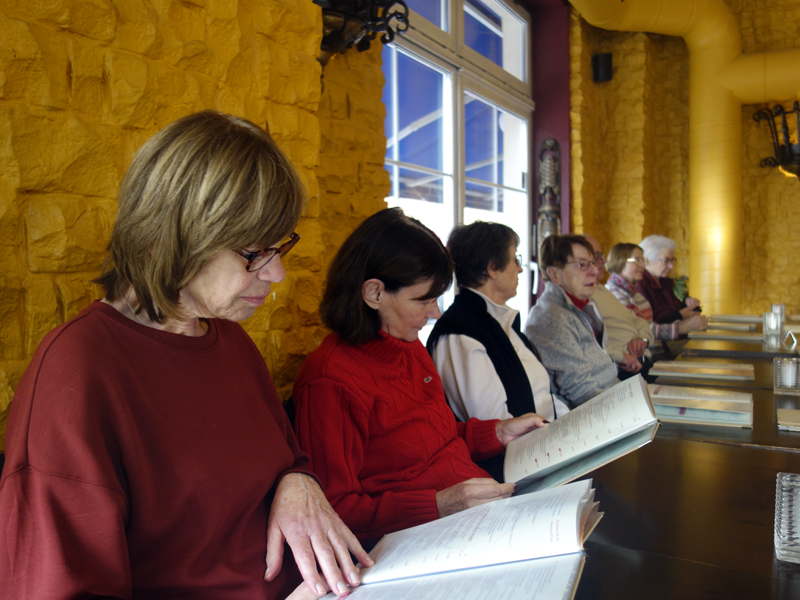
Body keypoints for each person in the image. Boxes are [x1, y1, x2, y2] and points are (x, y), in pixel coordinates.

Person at [0, 111, 370, 600]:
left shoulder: (230, 340)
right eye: (254, 253)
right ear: (170, 235)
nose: (277, 273)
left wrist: (297, 482)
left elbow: (286, 458)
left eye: (279, 247)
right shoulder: (78, 372)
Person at [292, 208, 547, 547]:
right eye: (423, 300)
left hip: (476, 517)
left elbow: (433, 438)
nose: (435, 313)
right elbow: (336, 510)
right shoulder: (330, 381)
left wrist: (498, 432)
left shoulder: (407, 345)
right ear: (374, 293)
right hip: (420, 542)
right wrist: (440, 505)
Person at [427, 221, 569, 422]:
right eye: (515, 260)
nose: (520, 269)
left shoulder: (502, 321)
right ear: (492, 268)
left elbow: (544, 397)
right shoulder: (459, 333)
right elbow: (494, 424)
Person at [525, 234, 619, 407]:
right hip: (592, 412)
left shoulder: (582, 304)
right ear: (555, 274)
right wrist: (628, 408)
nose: (594, 271)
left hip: (613, 395)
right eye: (581, 264)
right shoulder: (552, 317)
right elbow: (581, 392)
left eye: (593, 262)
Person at [582, 235, 653, 380]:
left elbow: (638, 321)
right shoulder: (585, 295)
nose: (604, 261)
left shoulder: (601, 289)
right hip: (623, 369)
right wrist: (622, 357)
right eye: (597, 256)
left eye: (601, 256)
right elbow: (592, 346)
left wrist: (643, 339)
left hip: (642, 359)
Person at [606, 242, 708, 339]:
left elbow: (650, 327)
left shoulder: (635, 294)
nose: (643, 265)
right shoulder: (614, 294)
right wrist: (682, 327)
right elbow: (636, 332)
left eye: (643, 260)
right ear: (620, 263)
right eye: (637, 260)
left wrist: (686, 309)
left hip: (655, 348)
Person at [637, 234, 702, 324]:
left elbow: (673, 309)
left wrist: (687, 302)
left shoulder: (664, 281)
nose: (671, 266)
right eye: (666, 261)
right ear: (647, 260)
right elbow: (648, 324)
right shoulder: (640, 283)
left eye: (672, 260)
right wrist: (680, 316)